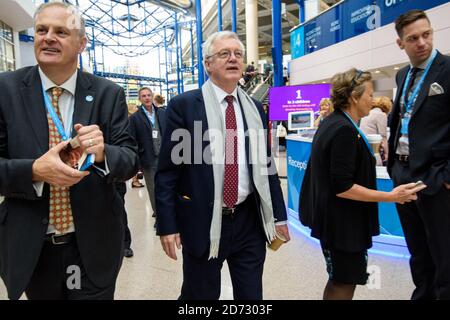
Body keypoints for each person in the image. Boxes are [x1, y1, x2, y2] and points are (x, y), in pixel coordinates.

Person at [0, 2, 138, 300]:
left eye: (61, 31)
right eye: (41, 30)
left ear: (82, 44)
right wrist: (35, 171)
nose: (48, 37)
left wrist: (103, 153)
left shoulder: (107, 93)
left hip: (93, 244)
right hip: (34, 249)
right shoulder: (6, 90)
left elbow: (129, 159)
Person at [155, 31, 290, 300]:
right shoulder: (185, 106)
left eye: (238, 54)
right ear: (207, 64)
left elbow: (266, 165)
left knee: (251, 296)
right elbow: (168, 173)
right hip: (202, 220)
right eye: (224, 54)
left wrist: (279, 215)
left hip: (249, 220)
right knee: (199, 296)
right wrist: (167, 225)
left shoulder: (253, 107)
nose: (233, 59)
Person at [299, 68, 425, 300]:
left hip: (338, 221)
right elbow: (343, 187)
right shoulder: (343, 131)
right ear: (354, 97)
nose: (373, 100)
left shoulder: (334, 123)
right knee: (343, 282)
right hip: (342, 224)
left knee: (340, 277)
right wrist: (391, 196)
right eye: (368, 94)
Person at [387, 9, 450, 300]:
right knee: (417, 251)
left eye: (426, 35)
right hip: (403, 174)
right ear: (401, 43)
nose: (422, 42)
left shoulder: (447, 70)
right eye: (413, 38)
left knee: (444, 254)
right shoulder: (402, 75)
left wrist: (446, 175)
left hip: (436, 178)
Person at [129, 87, 166, 221]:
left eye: (149, 95)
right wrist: (137, 160)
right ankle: (159, 217)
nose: (147, 98)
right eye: (143, 96)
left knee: (167, 186)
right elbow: (132, 140)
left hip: (165, 157)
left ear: (152, 96)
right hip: (148, 159)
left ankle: (168, 214)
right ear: (140, 99)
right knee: (153, 189)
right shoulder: (135, 118)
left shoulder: (162, 113)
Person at [360, 96, 392, 166]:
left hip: (363, 148)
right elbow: (383, 137)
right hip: (373, 149)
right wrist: (387, 154)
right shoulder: (381, 115)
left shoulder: (368, 113)